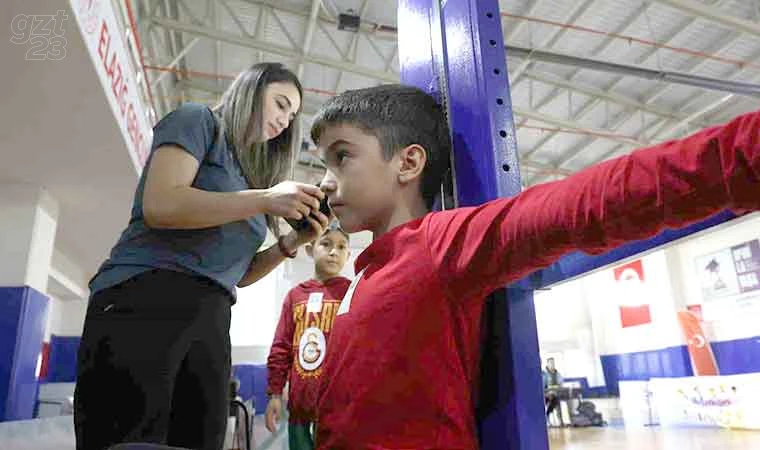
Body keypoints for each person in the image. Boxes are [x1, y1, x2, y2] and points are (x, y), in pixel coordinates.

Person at [308, 84, 759, 448]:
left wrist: (744, 153)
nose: (326, 181)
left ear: (408, 162)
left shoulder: (438, 244)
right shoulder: (361, 275)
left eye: (342, 156)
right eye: (323, 163)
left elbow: (592, 201)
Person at [74, 62, 330, 450]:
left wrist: (291, 243)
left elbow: (238, 274)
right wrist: (264, 199)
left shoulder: (249, 179)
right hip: (144, 294)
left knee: (199, 439)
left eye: (291, 115)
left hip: (211, 314)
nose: (284, 120)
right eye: (280, 104)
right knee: (128, 437)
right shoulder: (198, 122)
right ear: (250, 91)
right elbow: (161, 204)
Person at [265, 222, 352, 450]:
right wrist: (275, 393)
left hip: (339, 408)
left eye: (342, 247)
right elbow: (281, 346)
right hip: (300, 408)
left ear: (348, 255)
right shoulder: (295, 296)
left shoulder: (353, 293)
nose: (334, 251)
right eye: (326, 244)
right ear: (310, 248)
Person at [542, 358, 563, 425]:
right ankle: (546, 416)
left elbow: (560, 383)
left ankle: (560, 420)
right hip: (546, 394)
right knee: (552, 399)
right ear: (547, 364)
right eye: (550, 363)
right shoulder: (544, 374)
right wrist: (548, 391)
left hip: (556, 393)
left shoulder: (558, 373)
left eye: (553, 363)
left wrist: (554, 387)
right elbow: (543, 385)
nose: (552, 364)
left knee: (556, 399)